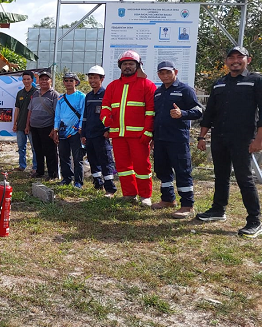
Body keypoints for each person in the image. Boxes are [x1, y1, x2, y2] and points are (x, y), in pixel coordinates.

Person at [197, 46, 262, 238]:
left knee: (244, 179)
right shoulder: (219, 83)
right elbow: (210, 113)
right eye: (231, 57)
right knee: (221, 175)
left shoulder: (256, 81)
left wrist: (259, 139)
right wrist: (202, 136)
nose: (235, 60)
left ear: (247, 60)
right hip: (220, 137)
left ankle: (254, 221)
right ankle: (218, 210)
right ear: (226, 62)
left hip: (243, 138)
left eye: (239, 57)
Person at [101, 50, 157, 206]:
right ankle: (129, 194)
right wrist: (106, 118)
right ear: (120, 66)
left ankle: (145, 196)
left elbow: (151, 111)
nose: (127, 67)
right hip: (118, 134)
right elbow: (105, 106)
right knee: (123, 167)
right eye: (125, 64)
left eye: (131, 64)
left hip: (138, 135)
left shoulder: (147, 85)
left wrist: (147, 132)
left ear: (137, 66)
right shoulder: (112, 86)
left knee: (142, 166)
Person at [151, 61, 203, 218]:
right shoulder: (158, 92)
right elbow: (156, 116)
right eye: (162, 73)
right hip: (160, 139)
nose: (165, 76)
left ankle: (187, 205)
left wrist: (183, 114)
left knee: (182, 171)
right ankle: (167, 199)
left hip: (177, 139)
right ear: (158, 75)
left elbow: (199, 110)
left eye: (168, 72)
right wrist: (154, 137)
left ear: (176, 72)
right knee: (162, 170)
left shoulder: (185, 90)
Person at [81, 65, 117, 196]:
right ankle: (98, 184)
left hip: (101, 134)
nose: (92, 81)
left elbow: (111, 114)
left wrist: (108, 129)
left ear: (102, 79)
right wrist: (83, 133)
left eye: (95, 78)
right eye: (90, 78)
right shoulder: (89, 96)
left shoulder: (107, 95)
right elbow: (85, 116)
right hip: (89, 134)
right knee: (92, 160)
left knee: (105, 161)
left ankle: (110, 188)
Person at [53, 72, 86, 188]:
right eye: (66, 81)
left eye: (70, 80)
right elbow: (57, 115)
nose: (68, 83)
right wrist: (55, 130)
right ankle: (67, 178)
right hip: (62, 132)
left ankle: (78, 181)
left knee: (77, 158)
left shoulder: (81, 96)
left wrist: (81, 128)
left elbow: (83, 113)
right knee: (64, 156)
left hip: (76, 132)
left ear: (76, 82)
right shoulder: (61, 98)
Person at [25, 70, 59, 179]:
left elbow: (57, 114)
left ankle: (52, 174)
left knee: (50, 152)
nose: (44, 81)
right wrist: (27, 125)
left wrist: (54, 129)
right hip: (34, 127)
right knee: (37, 151)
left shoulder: (54, 95)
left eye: (46, 79)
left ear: (50, 81)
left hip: (47, 127)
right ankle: (39, 172)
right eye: (42, 79)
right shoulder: (35, 93)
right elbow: (30, 110)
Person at [13, 70, 38, 173]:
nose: (26, 81)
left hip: (33, 125)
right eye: (24, 79)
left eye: (28, 79)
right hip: (21, 125)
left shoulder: (37, 93)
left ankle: (35, 167)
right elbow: (17, 109)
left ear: (32, 80)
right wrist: (15, 123)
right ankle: (22, 166)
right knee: (21, 147)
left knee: (34, 148)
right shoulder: (20, 93)